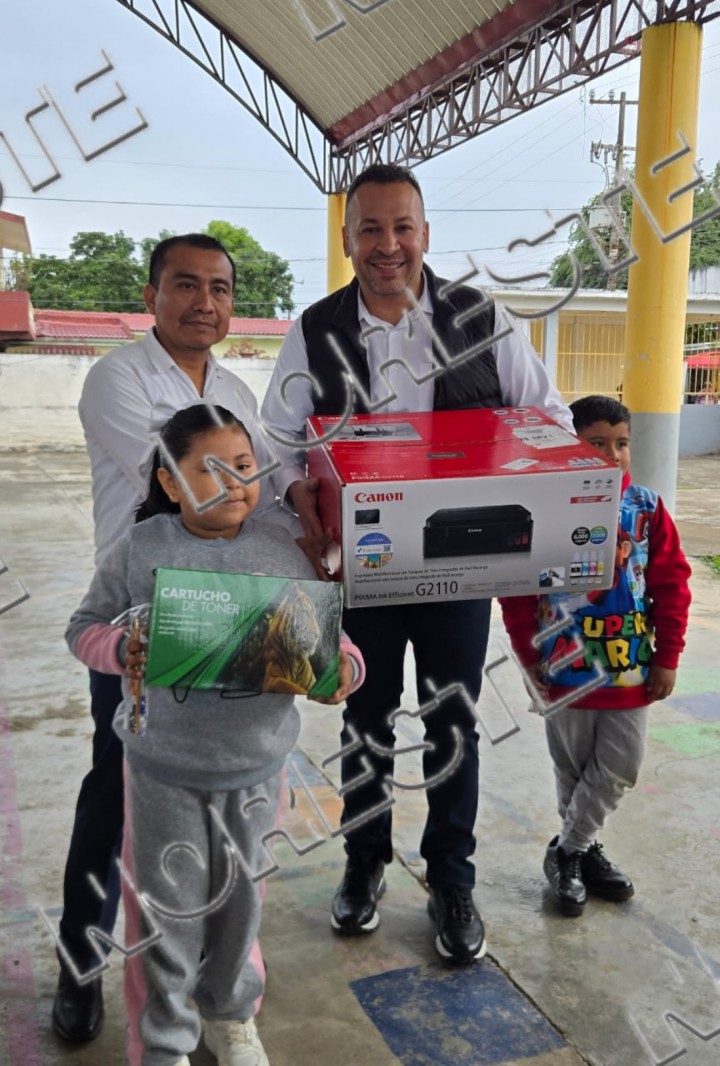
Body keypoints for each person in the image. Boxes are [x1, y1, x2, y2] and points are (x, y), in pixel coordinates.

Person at [260, 162, 574, 963]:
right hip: (358, 568)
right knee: (364, 719)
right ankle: (364, 862)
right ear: (348, 240)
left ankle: (452, 878)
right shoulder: (315, 329)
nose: (388, 245)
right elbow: (277, 437)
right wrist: (298, 496)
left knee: (451, 721)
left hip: (460, 568)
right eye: (370, 228)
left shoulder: (482, 320)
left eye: (402, 227)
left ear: (426, 233)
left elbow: (549, 416)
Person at [65, 405, 364, 1066]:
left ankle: (231, 1017)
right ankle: (163, 1042)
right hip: (162, 769)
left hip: (256, 769)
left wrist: (345, 669)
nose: (234, 483)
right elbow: (83, 628)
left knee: (239, 906)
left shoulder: (283, 546)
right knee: (164, 911)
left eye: (245, 466)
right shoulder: (141, 547)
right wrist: (119, 649)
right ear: (170, 482)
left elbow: (330, 640)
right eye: (211, 469)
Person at [54, 235, 296, 1043]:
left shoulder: (234, 387)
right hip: (143, 620)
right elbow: (194, 482)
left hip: (234, 616)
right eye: (186, 285)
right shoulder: (118, 378)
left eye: (220, 288)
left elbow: (259, 492)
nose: (205, 302)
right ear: (152, 295)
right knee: (116, 798)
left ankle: (223, 989)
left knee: (234, 814)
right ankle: (81, 964)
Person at [500, 396, 691, 915]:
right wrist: (528, 657)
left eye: (621, 443)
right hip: (563, 667)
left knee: (620, 766)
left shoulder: (647, 510)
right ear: (569, 446)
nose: (613, 454)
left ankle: (568, 850)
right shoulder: (540, 510)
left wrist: (668, 656)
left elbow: (672, 585)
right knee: (572, 768)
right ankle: (583, 854)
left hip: (629, 668)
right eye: (597, 442)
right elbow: (516, 592)